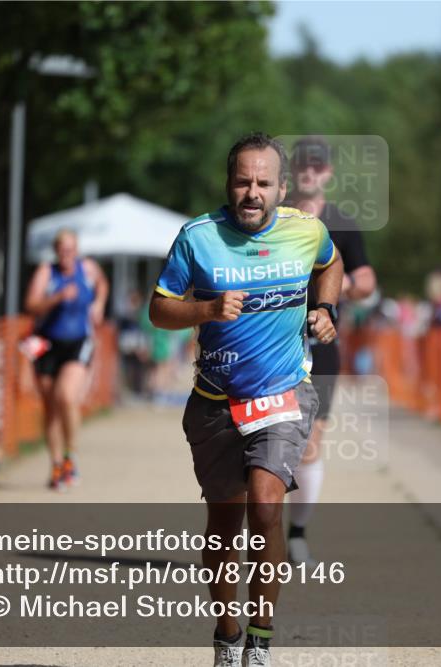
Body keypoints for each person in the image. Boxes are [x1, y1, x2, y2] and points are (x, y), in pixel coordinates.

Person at [149, 132, 343, 667]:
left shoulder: (307, 231)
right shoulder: (197, 237)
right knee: (224, 522)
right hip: (215, 400)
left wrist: (327, 311)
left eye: (263, 183)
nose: (252, 192)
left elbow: (332, 264)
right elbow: (159, 310)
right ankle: (227, 631)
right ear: (228, 185)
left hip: (281, 393)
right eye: (242, 182)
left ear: (282, 188)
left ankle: (260, 636)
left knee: (265, 506)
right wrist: (206, 311)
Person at [284, 136, 376, 567]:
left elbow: (366, 278)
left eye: (318, 166)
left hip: (320, 347)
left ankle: (297, 531)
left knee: (310, 445)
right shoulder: (273, 218)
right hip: (270, 345)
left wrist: (345, 286)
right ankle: (259, 528)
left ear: (328, 173)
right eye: (304, 163)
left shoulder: (342, 222)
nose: (310, 171)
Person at [24, 230, 109, 491]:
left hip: (77, 343)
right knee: (50, 407)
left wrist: (99, 304)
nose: (67, 254)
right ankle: (56, 464)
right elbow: (31, 305)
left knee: (66, 397)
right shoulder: (46, 272)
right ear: (56, 250)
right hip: (46, 344)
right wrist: (57, 298)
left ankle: (71, 457)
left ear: (77, 249)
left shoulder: (88, 268)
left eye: (71, 248)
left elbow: (103, 284)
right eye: (62, 249)